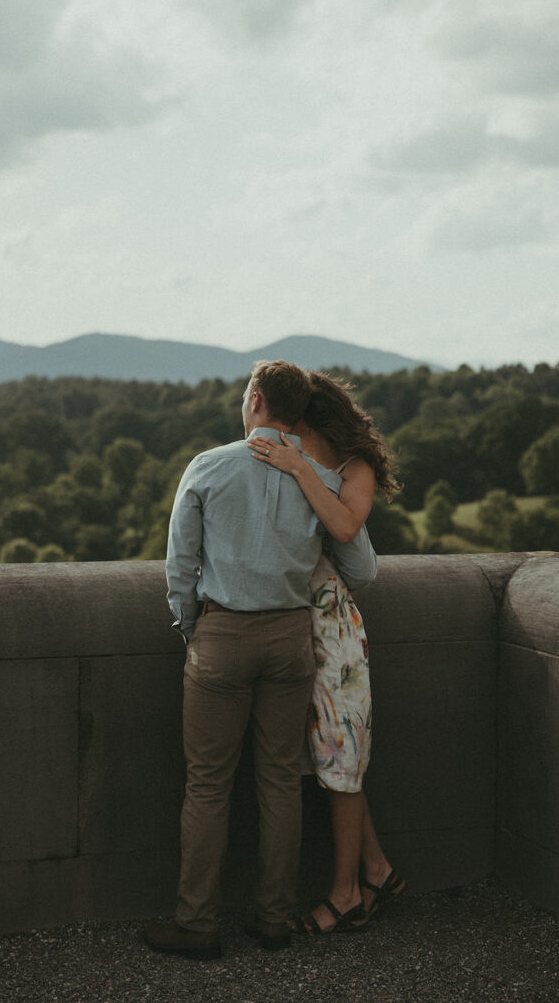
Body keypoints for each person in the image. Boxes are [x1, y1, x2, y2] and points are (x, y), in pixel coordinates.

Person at [144, 361, 378, 961]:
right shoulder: (320, 478)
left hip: (224, 636)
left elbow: (180, 569)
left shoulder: (208, 467)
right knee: (279, 781)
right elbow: (359, 568)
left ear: (254, 400)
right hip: (292, 640)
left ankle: (197, 924)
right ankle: (274, 917)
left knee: (208, 784)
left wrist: (195, 631)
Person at [247, 370, 406, 934]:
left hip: (334, 635)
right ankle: (378, 870)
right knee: (335, 759)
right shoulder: (292, 458)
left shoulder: (351, 470)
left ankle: (347, 895)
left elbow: (343, 527)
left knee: (340, 759)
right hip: (298, 630)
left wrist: (297, 466)